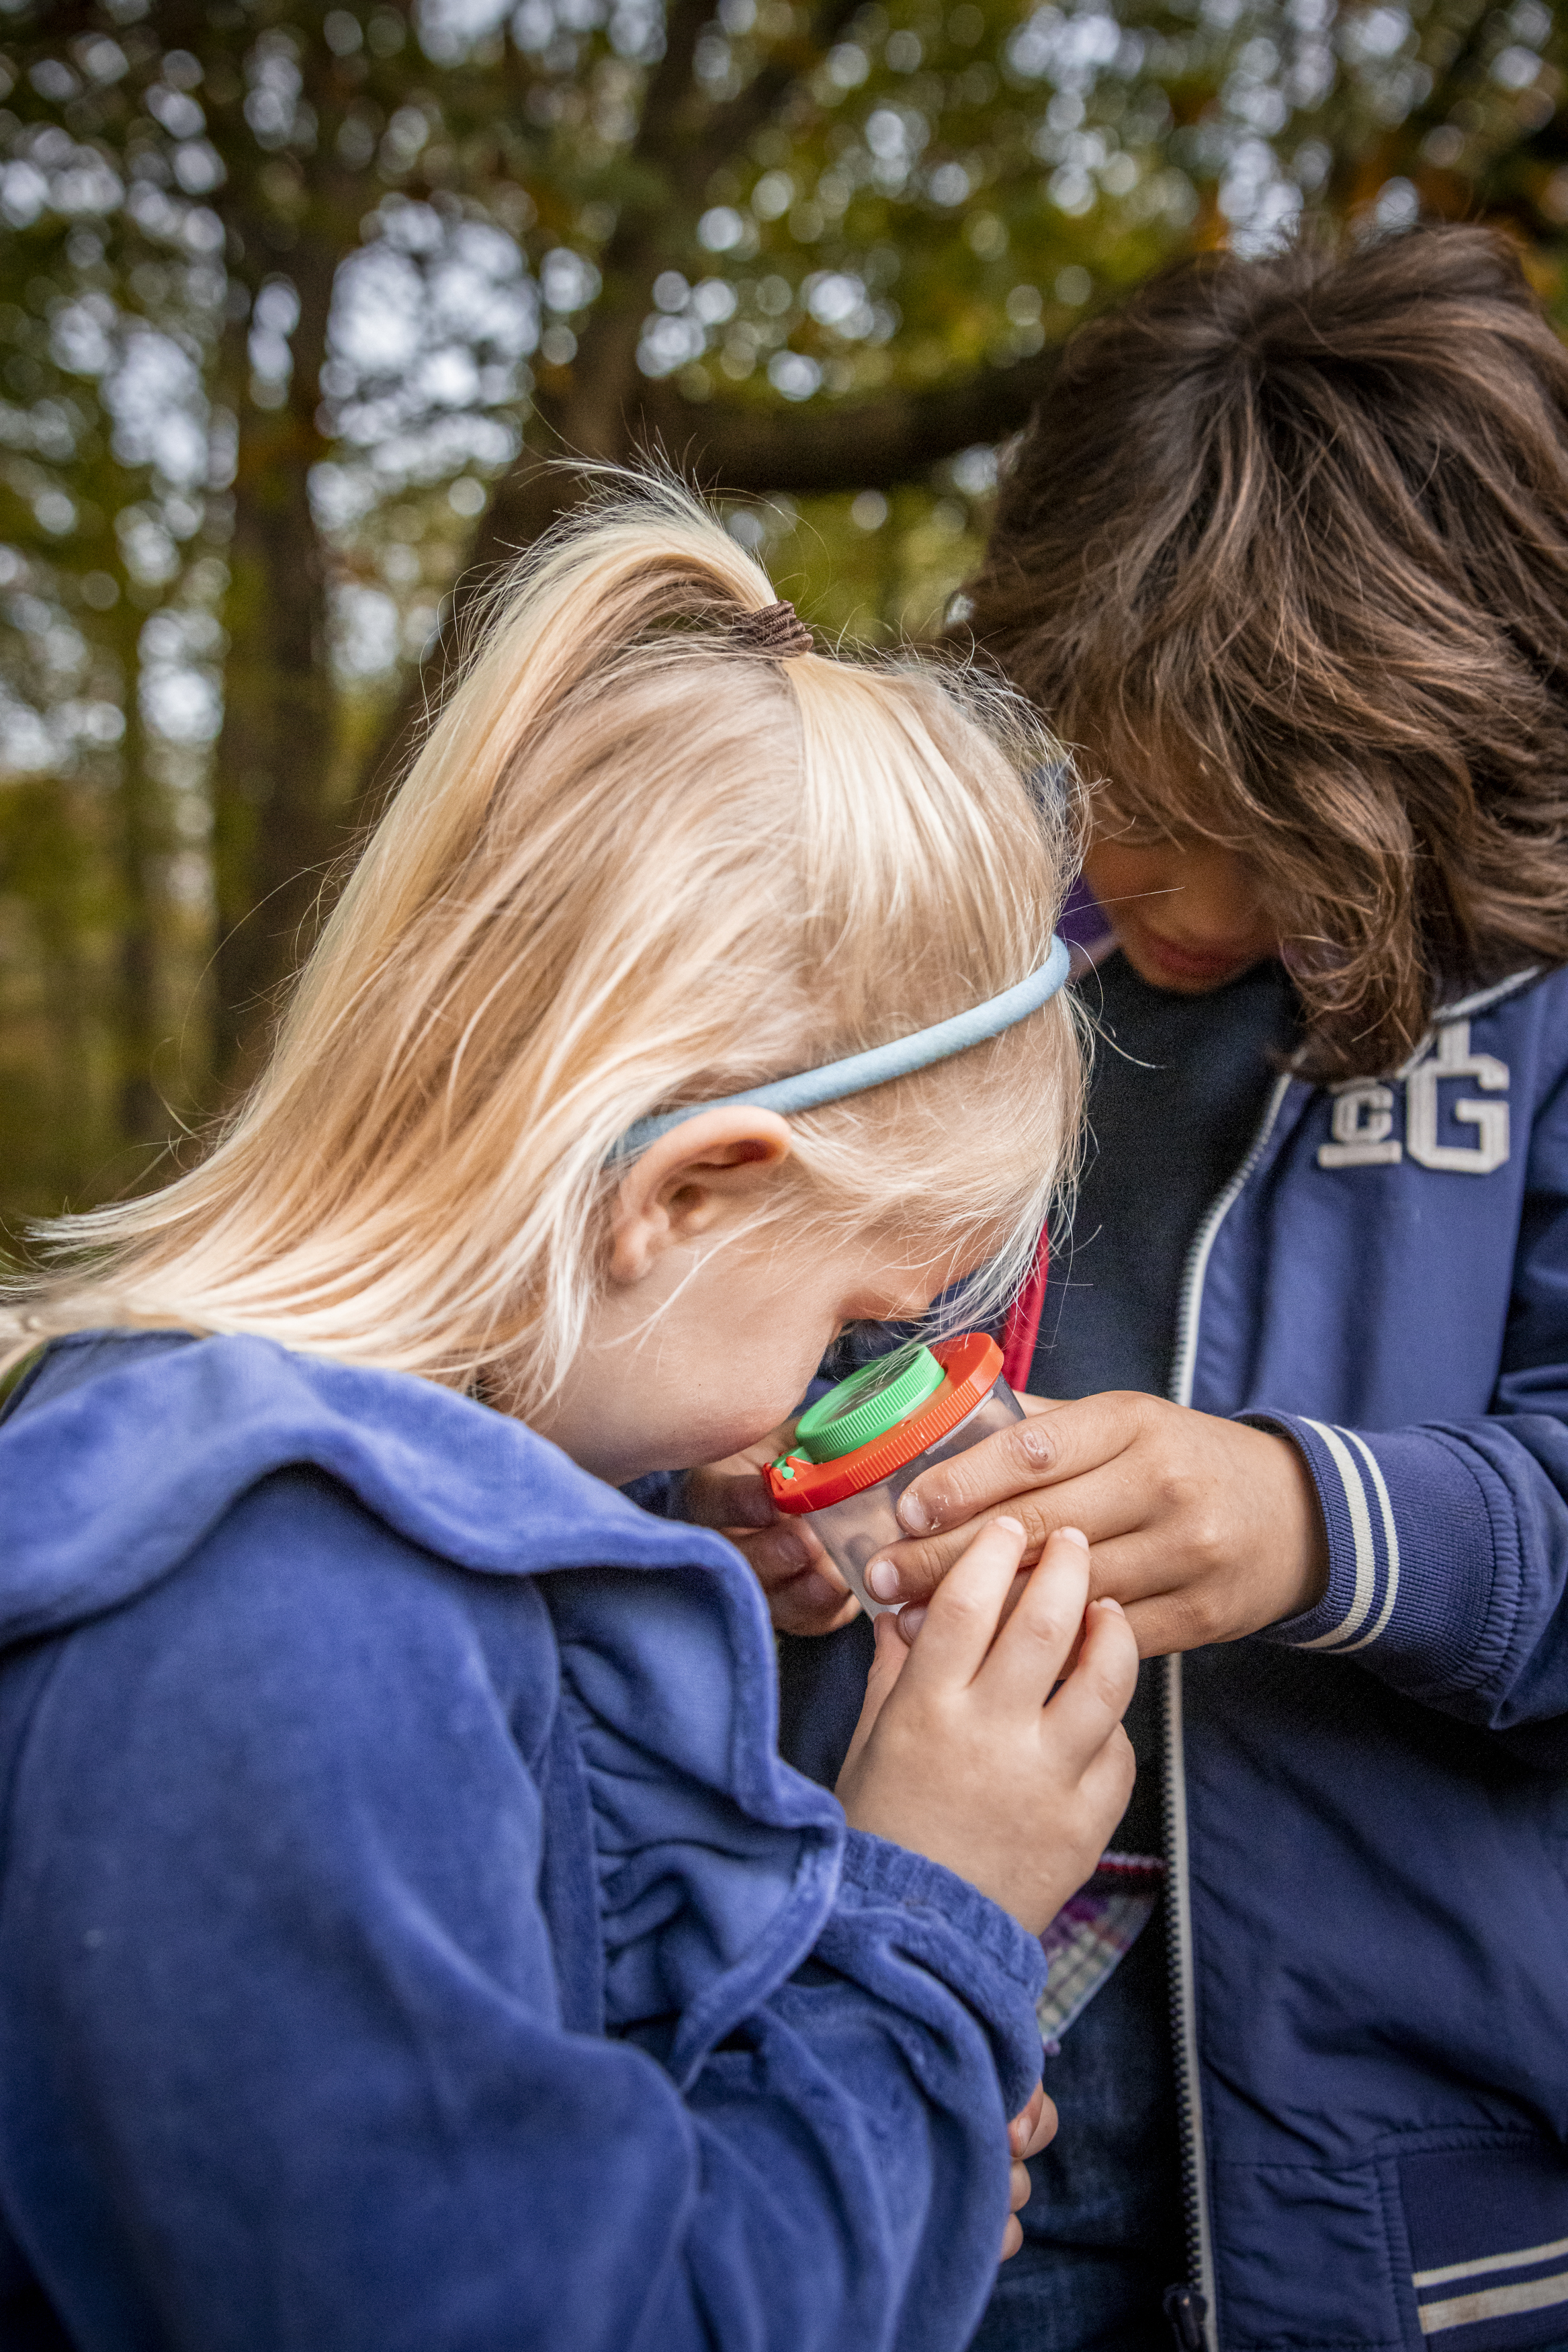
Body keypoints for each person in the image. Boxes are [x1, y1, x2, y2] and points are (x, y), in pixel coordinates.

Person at [0, 486, 1141, 2352]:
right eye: (858, 1317)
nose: (815, 1410)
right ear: (686, 1193)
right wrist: (926, 1916)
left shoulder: (376, 1546)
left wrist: (876, 2133)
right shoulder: (262, 1619)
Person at [691, 228, 1568, 2352]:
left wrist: (1309, 1519)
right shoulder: (966, 983)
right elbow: (760, 1342)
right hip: (958, 2122)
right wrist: (755, 1506)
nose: (1133, 869)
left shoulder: (1538, 1021)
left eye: (1222, 827)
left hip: (1415, 2200)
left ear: (1423, 764)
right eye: (1099, 781)